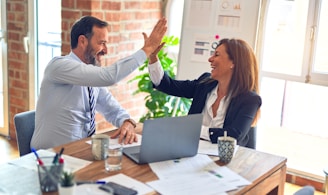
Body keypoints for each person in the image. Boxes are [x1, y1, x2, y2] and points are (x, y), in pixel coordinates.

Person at [31, 16, 167, 149]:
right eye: (102, 43)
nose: (106, 50)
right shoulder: (59, 66)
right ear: (83, 41)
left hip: (80, 151)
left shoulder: (91, 76)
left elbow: (111, 108)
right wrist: (147, 49)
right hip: (49, 157)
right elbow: (109, 76)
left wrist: (127, 121)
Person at [148, 38, 262, 147]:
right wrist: (153, 57)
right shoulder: (205, 83)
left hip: (226, 160)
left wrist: (194, 129)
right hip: (191, 152)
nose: (210, 59)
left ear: (233, 63)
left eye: (216, 55)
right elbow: (168, 85)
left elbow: (233, 136)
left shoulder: (250, 99)